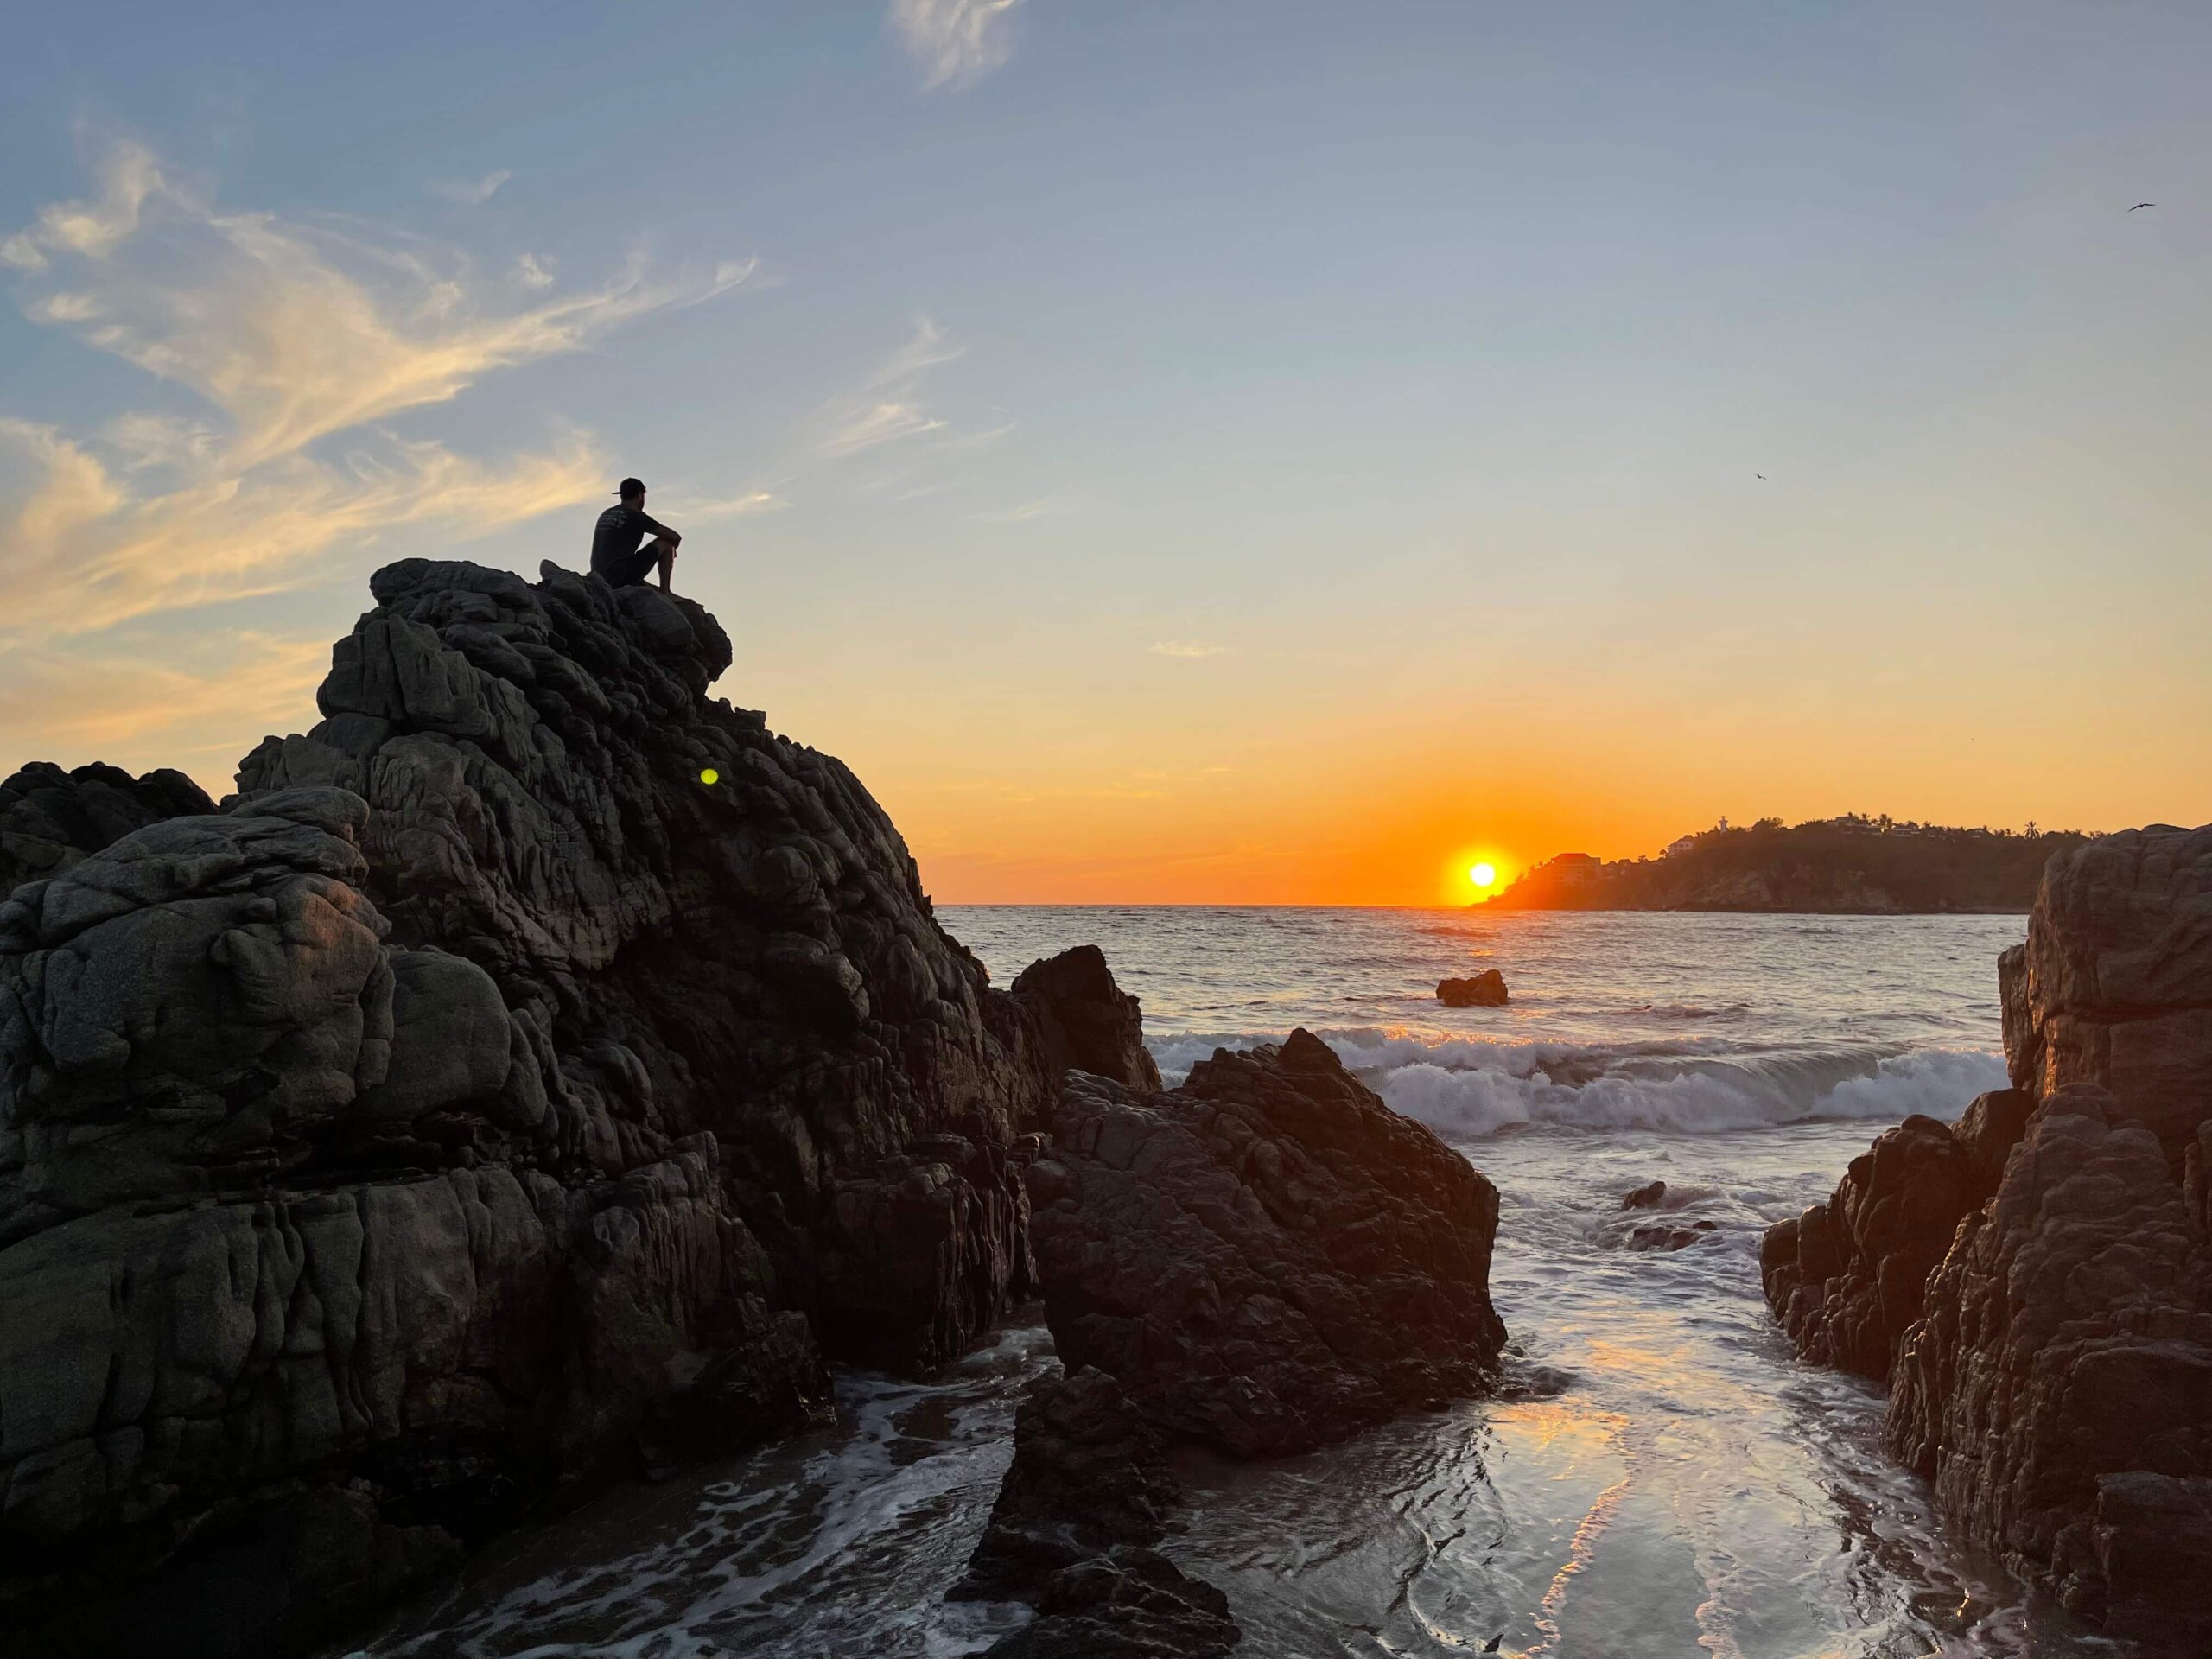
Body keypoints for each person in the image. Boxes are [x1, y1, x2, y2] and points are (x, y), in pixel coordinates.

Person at [590, 477, 683, 592]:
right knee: (666, 543)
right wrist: (672, 551)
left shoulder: (607, 513)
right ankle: (666, 592)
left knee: (644, 581)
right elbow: (675, 537)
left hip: (600, 576)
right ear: (640, 495)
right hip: (619, 577)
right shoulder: (636, 516)